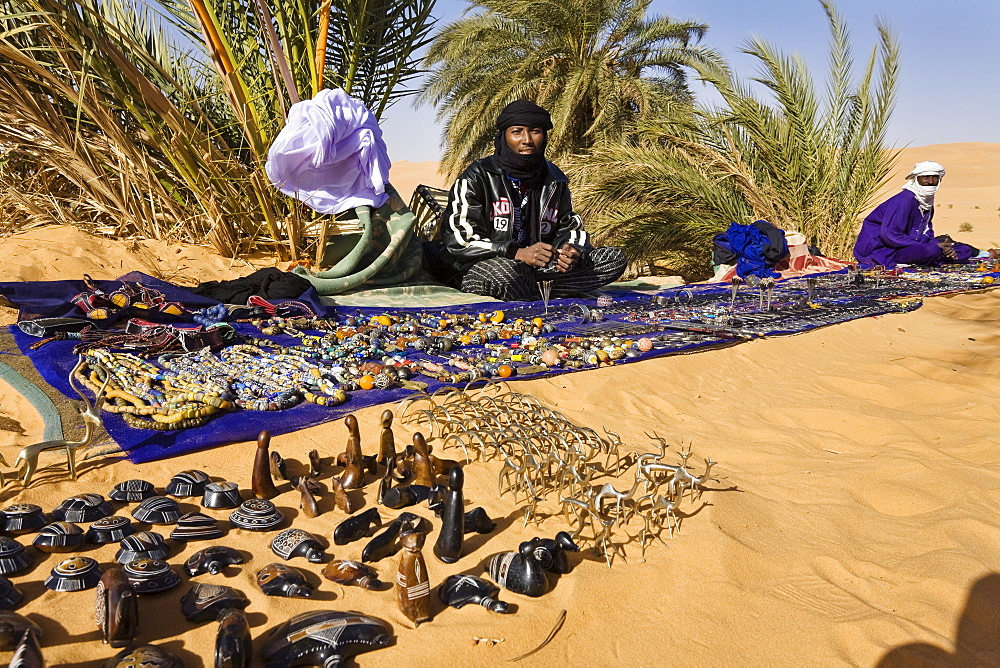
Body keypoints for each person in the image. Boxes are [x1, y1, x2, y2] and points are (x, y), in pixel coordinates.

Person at [438, 100, 627, 301]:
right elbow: (460, 241)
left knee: (612, 260)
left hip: (540, 267)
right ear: (504, 136)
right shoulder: (477, 177)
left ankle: (532, 288)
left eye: (535, 131)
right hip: (488, 266)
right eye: (517, 132)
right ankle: (541, 288)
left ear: (544, 136)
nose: (527, 139)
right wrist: (517, 252)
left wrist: (572, 251)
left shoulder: (555, 179)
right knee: (506, 275)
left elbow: (570, 227)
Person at [853, 161, 979, 269]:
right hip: (885, 249)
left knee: (963, 249)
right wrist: (932, 246)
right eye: (926, 177)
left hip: (910, 245)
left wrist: (939, 245)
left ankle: (937, 254)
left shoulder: (926, 202)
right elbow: (891, 236)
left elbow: (926, 232)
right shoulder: (904, 200)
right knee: (932, 251)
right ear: (916, 179)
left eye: (934, 177)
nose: (930, 181)